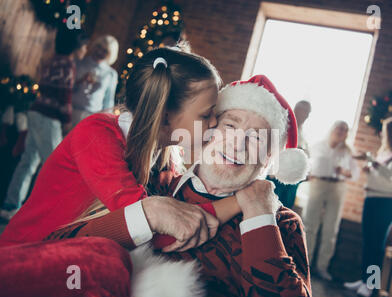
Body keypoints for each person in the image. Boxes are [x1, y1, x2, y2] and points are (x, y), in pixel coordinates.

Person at [45, 75, 312, 297]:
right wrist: (148, 214)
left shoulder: (282, 223)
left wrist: (259, 216)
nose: (237, 144)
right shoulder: (152, 183)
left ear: (268, 158)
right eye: (230, 126)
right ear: (207, 131)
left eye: (256, 137)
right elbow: (59, 248)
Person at [0, 47, 235, 251]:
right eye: (206, 114)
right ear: (164, 118)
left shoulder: (168, 157)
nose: (214, 122)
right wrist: (240, 202)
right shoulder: (96, 135)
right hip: (24, 258)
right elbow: (161, 233)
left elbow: (183, 215)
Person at [0, 28, 88, 221]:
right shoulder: (68, 64)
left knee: (28, 160)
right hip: (49, 117)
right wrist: (66, 121)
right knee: (55, 165)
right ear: (77, 47)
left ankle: (10, 205)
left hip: (36, 111)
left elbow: (52, 87)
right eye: (84, 46)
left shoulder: (54, 60)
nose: (86, 50)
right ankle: (47, 213)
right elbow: (64, 95)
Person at [344, 116, 392, 297]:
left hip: (385, 203)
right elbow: (380, 172)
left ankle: (371, 285)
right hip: (371, 198)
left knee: (376, 245)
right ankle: (363, 279)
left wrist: (372, 162)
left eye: (386, 131)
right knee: (368, 242)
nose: (383, 135)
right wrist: (371, 167)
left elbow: (390, 174)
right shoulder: (386, 152)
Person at [302, 120, 359, 281]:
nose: (341, 131)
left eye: (345, 130)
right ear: (332, 129)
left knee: (331, 228)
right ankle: (304, 264)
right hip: (317, 184)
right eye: (339, 128)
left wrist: (345, 172)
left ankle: (322, 267)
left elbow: (355, 174)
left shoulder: (348, 151)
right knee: (310, 225)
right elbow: (306, 163)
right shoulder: (317, 146)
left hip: (337, 187)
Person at [268, 100, 311, 209]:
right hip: (276, 175)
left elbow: (307, 154)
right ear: (295, 109)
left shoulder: (304, 134)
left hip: (292, 179)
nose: (304, 114)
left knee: (285, 208)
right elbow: (272, 146)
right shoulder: (282, 125)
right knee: (270, 205)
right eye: (301, 110)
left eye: (306, 112)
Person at [71, 35, 119, 127]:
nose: (99, 52)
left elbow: (108, 101)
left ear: (110, 54)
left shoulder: (111, 74)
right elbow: (68, 88)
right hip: (72, 111)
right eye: (99, 47)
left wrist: (105, 123)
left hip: (92, 118)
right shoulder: (79, 63)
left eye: (105, 51)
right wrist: (80, 81)